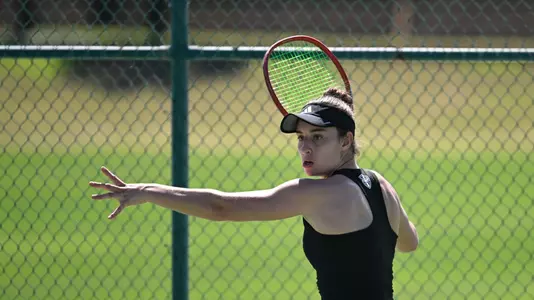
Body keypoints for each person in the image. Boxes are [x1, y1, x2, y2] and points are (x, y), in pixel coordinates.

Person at [89, 88, 419, 299]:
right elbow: (408, 242)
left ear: (346, 140)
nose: (305, 147)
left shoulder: (318, 193)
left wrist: (146, 191)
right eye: (301, 138)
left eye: (318, 137)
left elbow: (220, 208)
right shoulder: (380, 185)